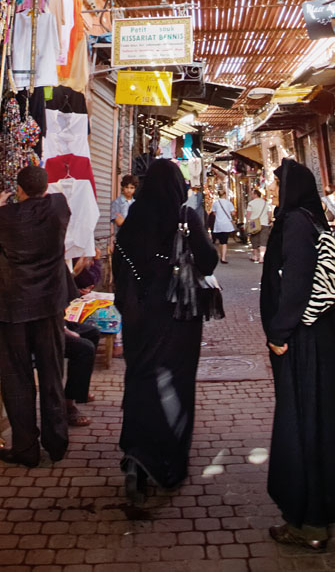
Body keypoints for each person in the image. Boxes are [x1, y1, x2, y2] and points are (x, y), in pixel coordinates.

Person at [260, 158, 335, 550]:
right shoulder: (311, 218)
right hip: (320, 333)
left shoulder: (296, 222)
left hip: (303, 338)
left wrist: (279, 331)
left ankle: (308, 521)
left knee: (302, 423)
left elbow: (296, 282)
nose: (275, 190)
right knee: (319, 420)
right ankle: (322, 509)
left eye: (279, 184)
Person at [113, 159, 218, 502]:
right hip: (177, 317)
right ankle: (167, 461)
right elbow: (208, 261)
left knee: (140, 380)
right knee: (173, 384)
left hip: (138, 319)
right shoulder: (186, 217)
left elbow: (120, 270)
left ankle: (136, 456)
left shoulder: (131, 223)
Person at [0, 166, 72, 467]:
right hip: (50, 305)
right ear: (45, 188)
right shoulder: (58, 208)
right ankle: (57, 442)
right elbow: (49, 197)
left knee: (17, 378)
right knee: (52, 372)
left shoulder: (3, 218)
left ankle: (25, 447)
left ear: (18, 189)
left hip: (15, 306)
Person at [63, 319, 100, 427]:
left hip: (58, 320)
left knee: (93, 333)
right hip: (45, 326)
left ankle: (81, 390)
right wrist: (66, 330)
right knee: (85, 348)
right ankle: (68, 404)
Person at [245, 188, 272, 264]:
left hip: (254, 224)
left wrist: (247, 223)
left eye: (252, 194)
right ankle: (262, 258)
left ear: (255, 194)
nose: (251, 195)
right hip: (264, 223)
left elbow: (248, 214)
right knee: (263, 241)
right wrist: (269, 220)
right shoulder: (265, 203)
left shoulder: (251, 203)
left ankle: (255, 256)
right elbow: (269, 213)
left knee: (254, 240)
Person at [211, 189, 236, 264]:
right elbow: (233, 213)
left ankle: (221, 255)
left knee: (220, 242)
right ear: (225, 194)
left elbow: (214, 213)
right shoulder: (229, 203)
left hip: (218, 224)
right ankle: (223, 258)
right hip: (226, 224)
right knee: (225, 241)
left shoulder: (215, 203)